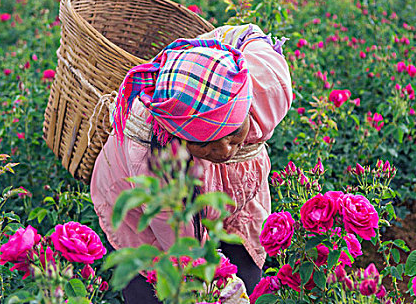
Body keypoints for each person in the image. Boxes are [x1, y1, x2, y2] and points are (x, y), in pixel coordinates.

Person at [90, 24, 292, 303]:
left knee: (249, 277)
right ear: (178, 136)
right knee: (156, 290)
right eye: (206, 143)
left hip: (235, 193)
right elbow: (183, 244)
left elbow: (248, 34)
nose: (224, 151)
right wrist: (217, 286)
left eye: (233, 133)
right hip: (146, 214)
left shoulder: (265, 86)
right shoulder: (153, 152)